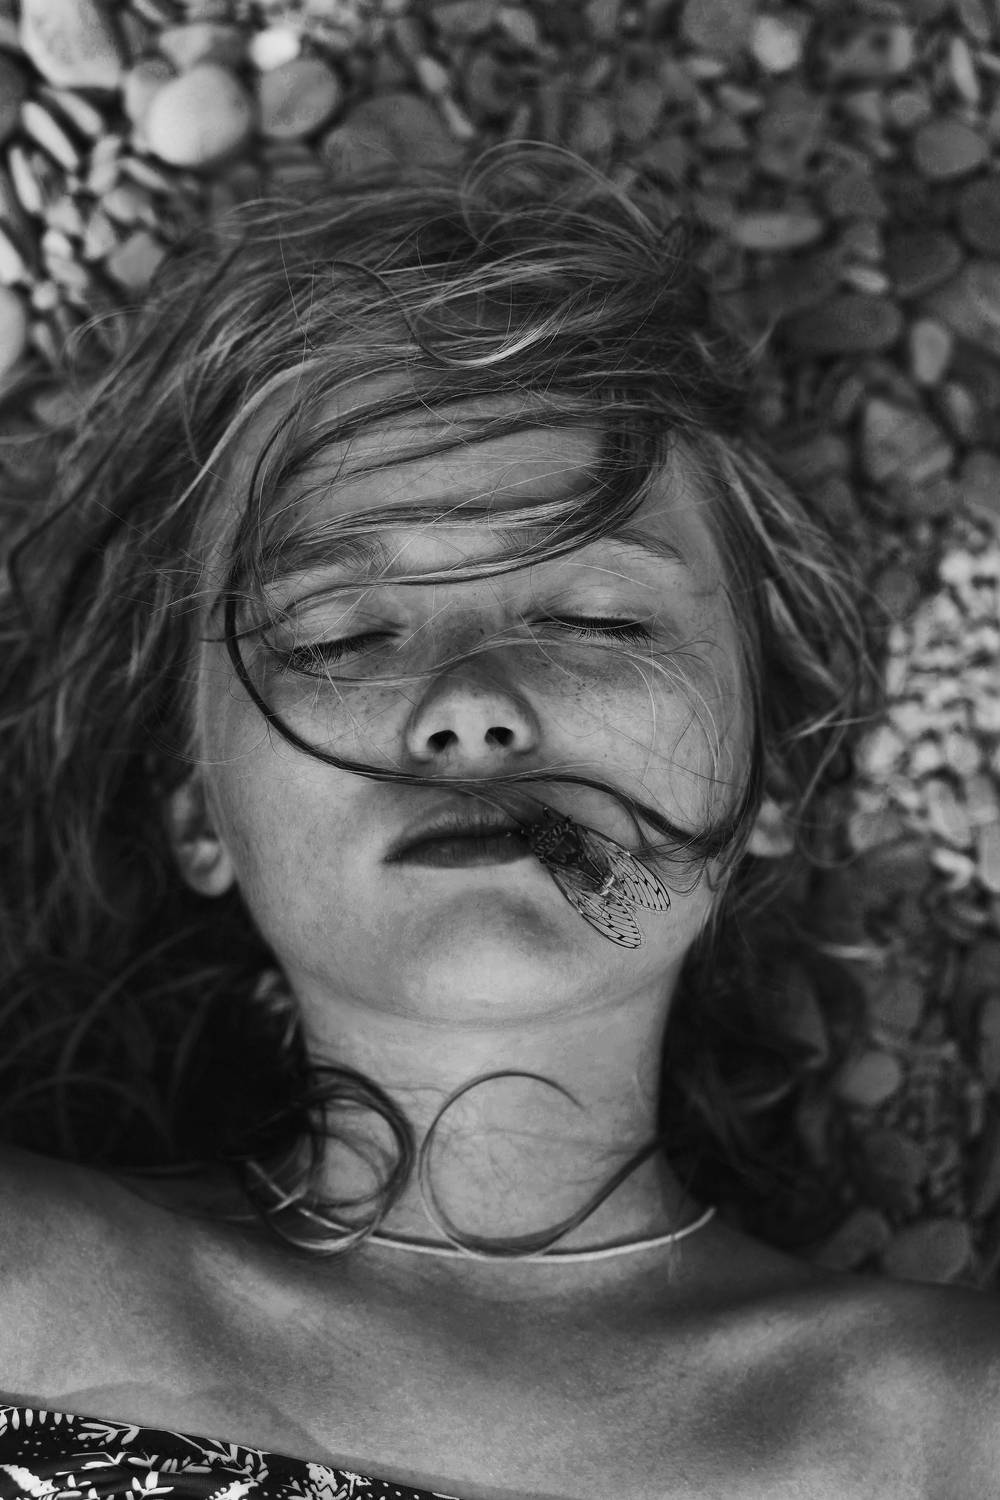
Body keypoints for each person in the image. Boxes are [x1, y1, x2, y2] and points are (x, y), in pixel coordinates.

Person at [0, 140, 994, 1500]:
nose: (471, 709)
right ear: (199, 810)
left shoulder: (954, 1434)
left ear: (766, 778)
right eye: (341, 635)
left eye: (596, 619)